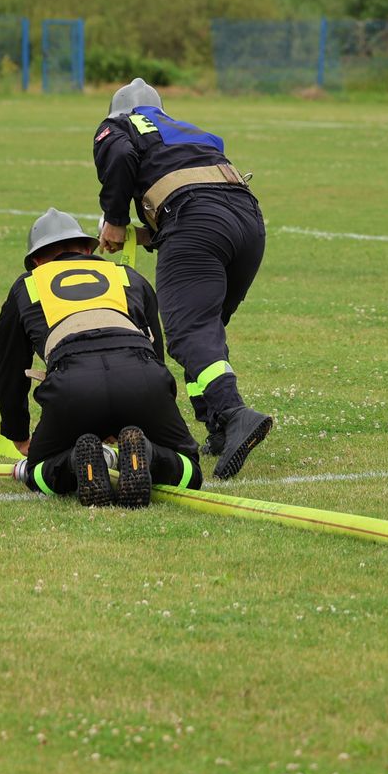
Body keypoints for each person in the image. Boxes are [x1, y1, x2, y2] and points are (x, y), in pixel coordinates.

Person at [92, 78, 273, 480]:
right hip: (247, 220)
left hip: (196, 219)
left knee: (188, 330)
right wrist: (143, 233)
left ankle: (233, 412)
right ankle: (218, 427)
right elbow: (194, 189)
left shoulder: (119, 126)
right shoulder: (188, 132)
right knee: (205, 330)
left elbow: (120, 154)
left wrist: (117, 221)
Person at [0, 207, 205, 508]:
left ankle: (78, 461)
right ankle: (147, 452)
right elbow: (155, 356)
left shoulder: (26, 286)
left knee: (38, 473)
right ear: (87, 248)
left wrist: (17, 433)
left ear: (37, 260)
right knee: (190, 472)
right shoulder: (127, 275)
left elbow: (12, 368)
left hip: (73, 386)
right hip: (141, 377)